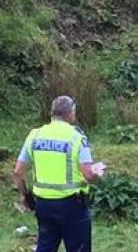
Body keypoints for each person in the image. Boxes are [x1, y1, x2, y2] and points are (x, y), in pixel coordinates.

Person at [13, 95, 106, 252]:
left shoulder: (34, 135)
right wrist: (98, 173)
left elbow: (18, 171)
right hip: (72, 205)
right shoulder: (77, 137)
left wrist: (25, 196)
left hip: (43, 204)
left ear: (52, 113)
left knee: (45, 246)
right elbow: (88, 175)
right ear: (71, 113)